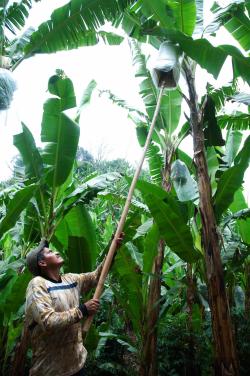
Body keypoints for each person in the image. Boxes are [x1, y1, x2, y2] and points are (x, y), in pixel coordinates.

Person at [25, 236, 122, 376]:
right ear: (42, 262)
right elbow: (48, 321)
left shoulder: (70, 279)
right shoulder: (37, 284)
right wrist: (82, 310)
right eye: (50, 252)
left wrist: (112, 250)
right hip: (50, 370)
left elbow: (97, 276)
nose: (56, 252)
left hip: (77, 364)